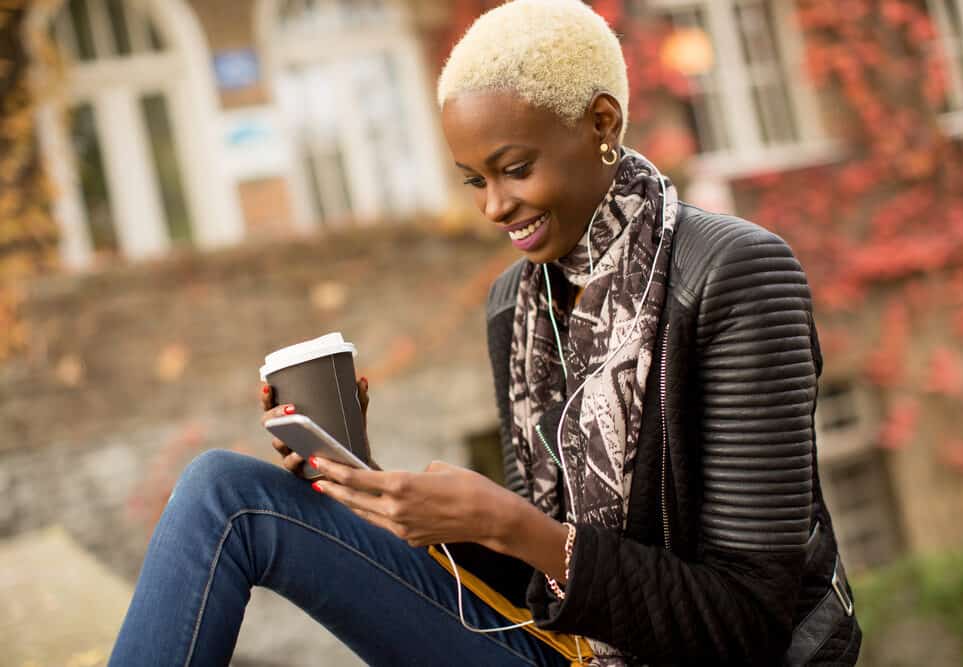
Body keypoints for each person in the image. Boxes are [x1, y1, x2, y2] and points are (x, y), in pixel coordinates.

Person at [109, 1, 861, 665]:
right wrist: (376, 488)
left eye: (515, 168)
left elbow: (749, 624)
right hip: (558, 646)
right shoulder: (518, 302)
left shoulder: (733, 273)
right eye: (475, 179)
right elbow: (534, 585)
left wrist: (516, 526)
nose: (494, 206)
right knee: (226, 491)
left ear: (602, 122)